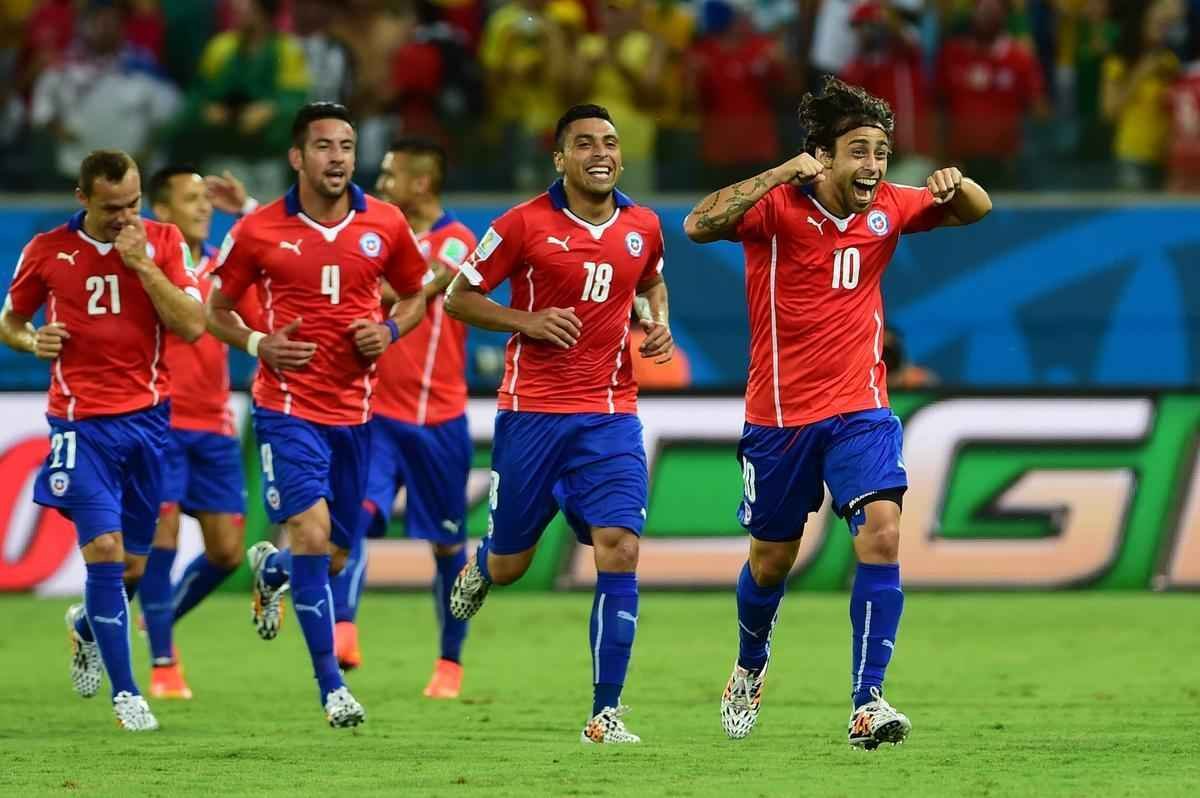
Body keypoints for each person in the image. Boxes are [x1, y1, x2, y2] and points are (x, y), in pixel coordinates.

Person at [683, 76, 992, 749]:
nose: (874, 167)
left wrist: (955, 182)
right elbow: (698, 223)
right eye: (859, 151)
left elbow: (977, 210)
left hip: (861, 410)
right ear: (823, 155)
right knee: (772, 559)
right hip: (779, 418)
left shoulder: (888, 206)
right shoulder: (775, 209)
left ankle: (867, 703)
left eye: (881, 152)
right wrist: (778, 174)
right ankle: (750, 664)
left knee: (882, 534)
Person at [444, 104, 674, 743]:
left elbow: (652, 281)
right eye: (583, 143)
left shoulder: (644, 224)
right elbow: (457, 296)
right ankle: (484, 565)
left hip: (610, 414)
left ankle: (605, 712)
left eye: (609, 142)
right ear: (560, 158)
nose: (599, 152)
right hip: (532, 415)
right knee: (514, 564)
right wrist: (527, 321)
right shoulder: (521, 224)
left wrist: (658, 324)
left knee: (620, 549)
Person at [205, 101, 427, 728]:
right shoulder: (257, 231)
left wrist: (388, 329)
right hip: (285, 409)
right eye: (325, 146)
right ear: (297, 157)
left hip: (356, 414)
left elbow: (415, 294)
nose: (338, 158)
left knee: (332, 554)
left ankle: (272, 570)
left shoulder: (384, 222)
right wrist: (258, 344)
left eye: (347, 146)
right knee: (311, 534)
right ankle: (333, 689)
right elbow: (215, 310)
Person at [0, 149, 205, 730]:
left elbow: (192, 326)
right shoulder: (45, 251)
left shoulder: (162, 243)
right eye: (112, 207)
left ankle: (87, 627)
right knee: (106, 554)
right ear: (83, 198)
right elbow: (10, 320)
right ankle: (127, 694)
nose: (124, 217)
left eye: (133, 204)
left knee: (133, 569)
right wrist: (31, 340)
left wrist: (143, 266)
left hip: (148, 422)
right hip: (78, 422)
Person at [328, 139, 478, 701]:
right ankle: (344, 627)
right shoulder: (379, 234)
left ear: (421, 183)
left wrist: (362, 284)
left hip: (438, 421)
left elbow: (417, 288)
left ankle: (449, 662)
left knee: (446, 548)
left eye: (390, 174)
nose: (380, 181)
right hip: (376, 414)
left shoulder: (459, 239)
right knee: (357, 516)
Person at [137, 164, 263, 700]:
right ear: (161, 211)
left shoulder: (221, 268)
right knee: (161, 538)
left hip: (214, 423)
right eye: (190, 198)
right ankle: (165, 664)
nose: (203, 206)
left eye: (205, 198)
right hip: (158, 418)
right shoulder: (142, 268)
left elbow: (259, 321)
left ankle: (121, 622)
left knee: (227, 554)